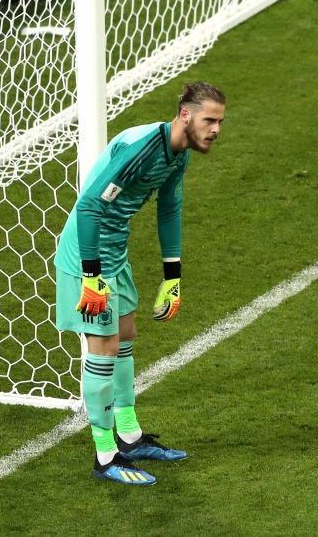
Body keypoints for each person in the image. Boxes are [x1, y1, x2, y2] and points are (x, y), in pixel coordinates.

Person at [54, 81, 226, 485]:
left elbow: (170, 209)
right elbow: (89, 205)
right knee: (104, 347)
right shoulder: (144, 148)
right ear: (186, 115)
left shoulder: (177, 154)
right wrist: (92, 276)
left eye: (220, 121)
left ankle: (129, 437)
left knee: (126, 334)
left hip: (115, 253)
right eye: (210, 120)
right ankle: (104, 455)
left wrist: (172, 277)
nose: (216, 129)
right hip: (87, 257)